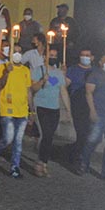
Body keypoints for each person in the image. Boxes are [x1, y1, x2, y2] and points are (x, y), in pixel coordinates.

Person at [0, 44, 31, 179]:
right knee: (8, 138)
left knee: (18, 141)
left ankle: (15, 167)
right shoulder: (3, 67)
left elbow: (28, 90)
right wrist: (7, 72)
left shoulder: (25, 70)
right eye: (15, 52)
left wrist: (31, 110)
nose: (17, 54)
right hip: (7, 108)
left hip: (22, 110)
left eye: (20, 52)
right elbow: (0, 85)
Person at [31, 47, 71, 177]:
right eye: (50, 55)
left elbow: (62, 90)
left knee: (49, 137)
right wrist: (42, 80)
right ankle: (40, 163)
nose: (53, 57)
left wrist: (68, 110)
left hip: (54, 108)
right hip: (41, 106)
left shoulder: (58, 73)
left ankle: (44, 163)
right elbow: (33, 88)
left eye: (55, 55)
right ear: (44, 57)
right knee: (45, 135)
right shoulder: (38, 70)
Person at [65, 49, 94, 164]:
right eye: (83, 55)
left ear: (92, 57)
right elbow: (64, 84)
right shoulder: (73, 69)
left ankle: (74, 152)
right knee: (82, 132)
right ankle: (76, 157)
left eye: (88, 55)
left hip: (91, 104)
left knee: (88, 134)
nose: (85, 57)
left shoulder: (95, 71)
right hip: (78, 103)